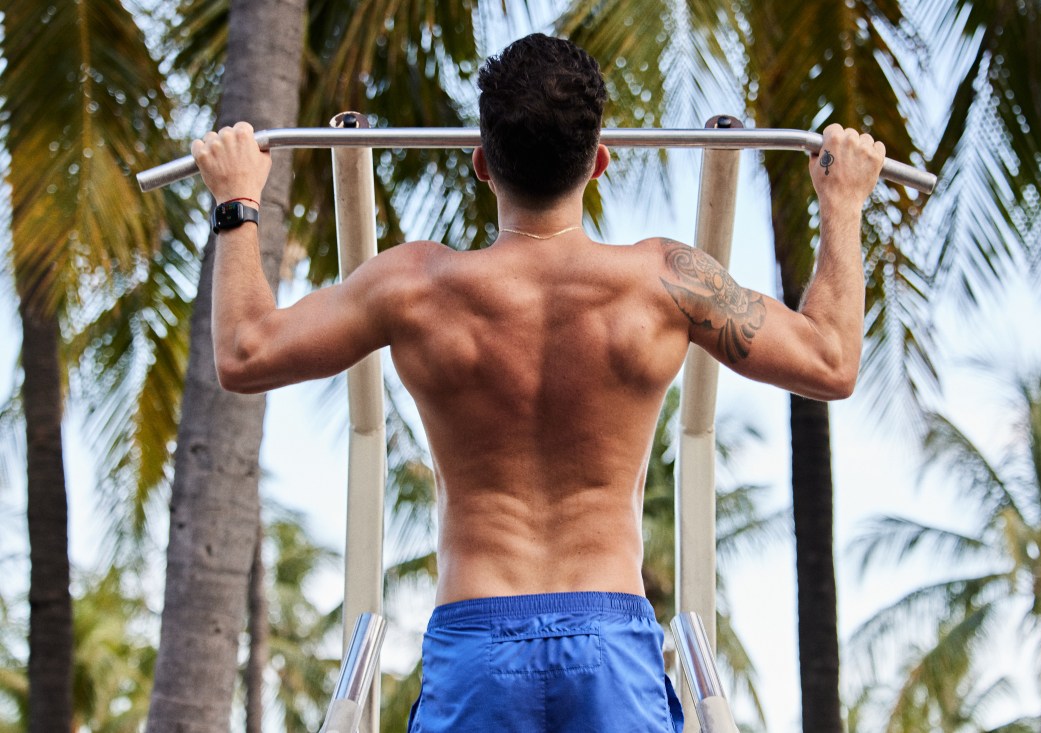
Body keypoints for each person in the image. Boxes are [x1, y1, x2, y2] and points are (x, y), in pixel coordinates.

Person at [192, 32, 884, 733]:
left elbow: (245, 353)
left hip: (476, 642)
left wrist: (236, 199)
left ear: (481, 162)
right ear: (600, 161)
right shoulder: (665, 282)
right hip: (609, 643)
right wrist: (844, 204)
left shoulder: (414, 287)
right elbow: (830, 360)